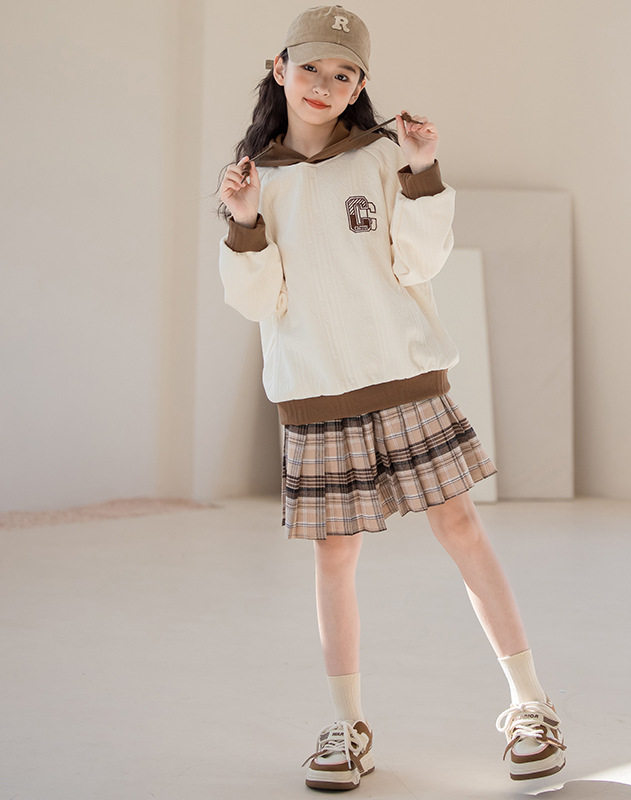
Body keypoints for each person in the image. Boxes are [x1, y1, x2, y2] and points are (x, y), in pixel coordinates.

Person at [215, 4, 566, 791]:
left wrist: (421, 170)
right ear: (279, 69)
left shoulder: (380, 155)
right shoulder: (257, 178)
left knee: (461, 527)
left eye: (342, 74)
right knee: (334, 557)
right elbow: (256, 300)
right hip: (316, 396)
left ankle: (531, 704)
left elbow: (419, 262)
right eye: (311, 67)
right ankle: (347, 726)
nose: (323, 83)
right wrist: (244, 222)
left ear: (359, 86)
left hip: (405, 380)